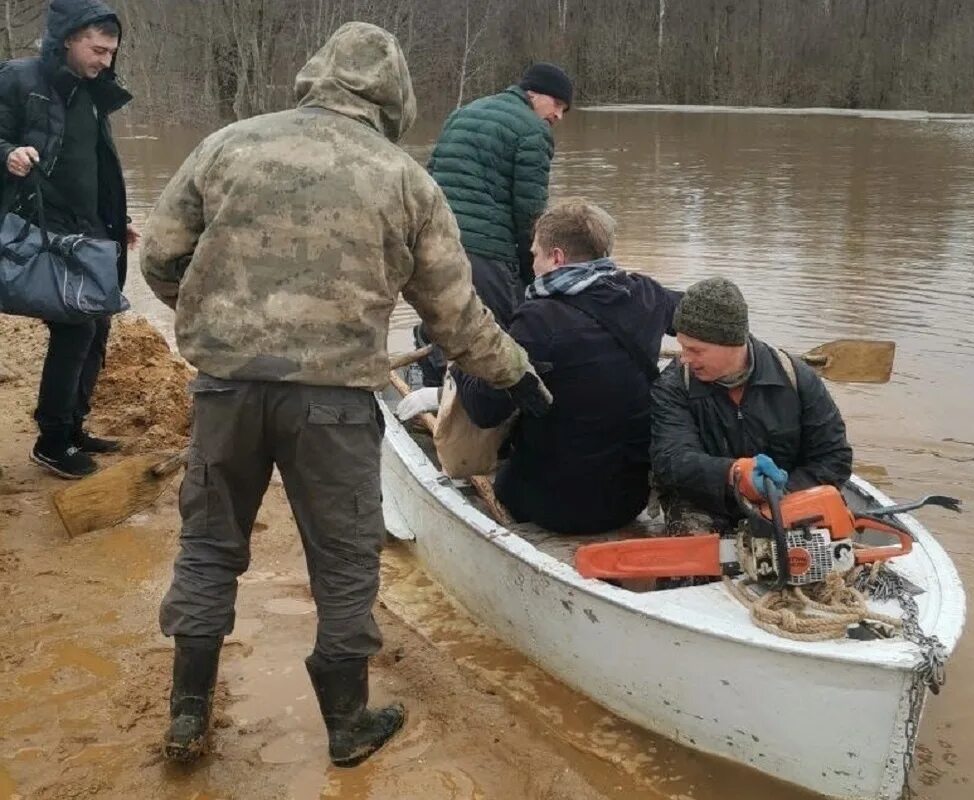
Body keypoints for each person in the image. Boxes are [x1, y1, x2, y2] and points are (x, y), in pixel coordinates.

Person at [140, 22, 551, 769]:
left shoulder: (228, 144)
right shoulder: (403, 179)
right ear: (395, 96)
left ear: (315, 75)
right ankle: (347, 724)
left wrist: (215, 324)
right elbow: (455, 318)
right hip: (332, 406)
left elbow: (163, 259)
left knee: (206, 546)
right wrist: (517, 371)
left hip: (226, 390)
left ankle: (187, 711)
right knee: (344, 559)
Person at [452, 199, 679, 534]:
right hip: (628, 499)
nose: (532, 265)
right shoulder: (646, 294)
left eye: (535, 255)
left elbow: (485, 410)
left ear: (556, 257)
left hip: (553, 506)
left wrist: (462, 360)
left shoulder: (539, 321)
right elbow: (699, 312)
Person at [0, 0, 135, 479]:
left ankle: (73, 425)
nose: (105, 61)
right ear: (67, 39)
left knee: (97, 326)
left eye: (111, 52)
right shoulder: (18, 78)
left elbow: (96, 164)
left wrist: (118, 221)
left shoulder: (93, 91)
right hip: (39, 225)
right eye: (98, 50)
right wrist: (9, 153)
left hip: (89, 226)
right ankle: (52, 442)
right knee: (76, 327)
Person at [650, 278, 852, 539]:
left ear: (731, 343)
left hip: (787, 500)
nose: (685, 358)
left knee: (821, 559)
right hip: (707, 505)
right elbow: (671, 460)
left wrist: (781, 495)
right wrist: (732, 474)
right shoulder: (674, 385)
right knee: (688, 567)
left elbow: (834, 457)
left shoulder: (795, 378)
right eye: (682, 347)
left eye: (695, 350)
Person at [415, 62, 573, 386]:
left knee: (440, 321)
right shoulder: (533, 130)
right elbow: (530, 212)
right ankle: (482, 421)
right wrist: (530, 271)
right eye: (557, 105)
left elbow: (430, 177)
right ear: (534, 94)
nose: (559, 116)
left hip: (437, 246)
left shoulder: (462, 114)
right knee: (500, 333)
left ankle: (433, 402)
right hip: (488, 253)